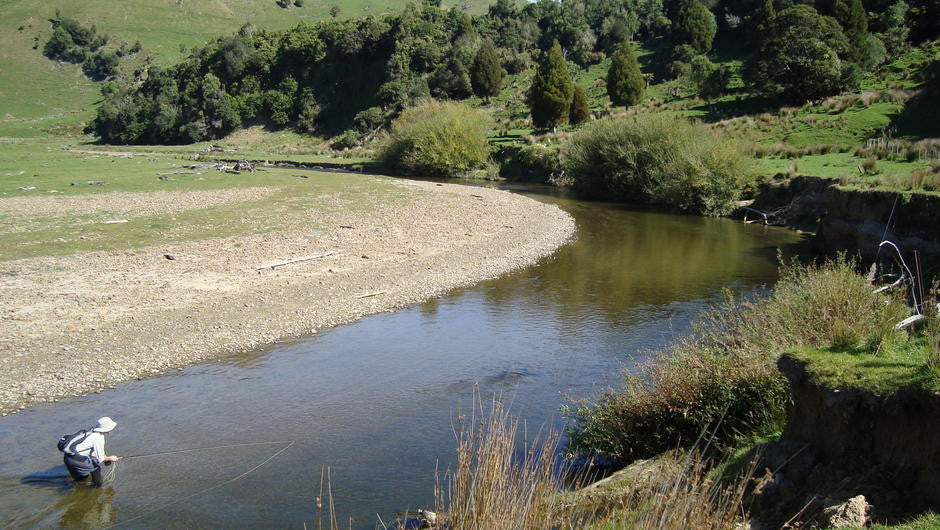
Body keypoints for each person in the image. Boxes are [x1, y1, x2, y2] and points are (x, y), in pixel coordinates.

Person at [62, 417, 121, 486]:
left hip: (68, 457)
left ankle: (77, 488)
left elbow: (89, 450)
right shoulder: (98, 438)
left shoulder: (90, 431)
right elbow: (101, 458)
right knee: (96, 468)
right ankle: (97, 487)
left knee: (81, 479)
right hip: (77, 460)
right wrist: (111, 458)